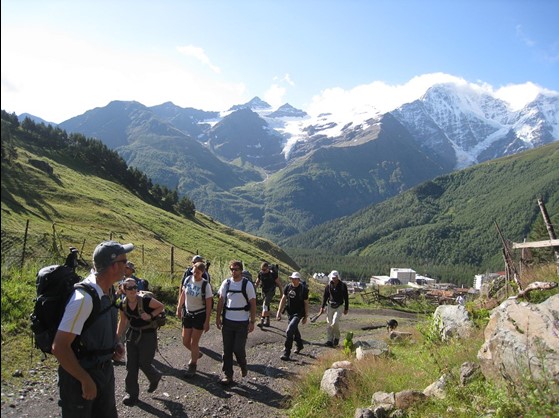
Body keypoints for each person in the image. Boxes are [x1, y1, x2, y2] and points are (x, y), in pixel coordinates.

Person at [52, 240, 133, 418]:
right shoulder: (83, 299)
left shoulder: (108, 290)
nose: (126, 266)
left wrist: (112, 345)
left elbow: (96, 329)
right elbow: (59, 347)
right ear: (113, 266)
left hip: (103, 372)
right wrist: (84, 379)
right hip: (79, 376)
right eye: (124, 262)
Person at [116, 277, 165, 406]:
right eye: (130, 288)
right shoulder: (123, 304)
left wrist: (150, 316)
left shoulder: (146, 301)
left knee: (144, 363)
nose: (133, 290)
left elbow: (161, 306)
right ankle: (131, 394)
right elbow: (123, 321)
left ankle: (155, 377)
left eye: (135, 287)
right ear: (124, 290)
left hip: (148, 335)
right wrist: (117, 337)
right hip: (132, 335)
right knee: (130, 366)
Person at [215, 260, 257, 386]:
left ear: (241, 270)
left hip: (242, 322)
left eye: (236, 269)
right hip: (228, 321)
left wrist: (252, 321)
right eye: (232, 269)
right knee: (227, 350)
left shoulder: (247, 284)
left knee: (238, 348)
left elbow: (253, 303)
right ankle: (228, 375)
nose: (234, 272)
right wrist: (217, 318)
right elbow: (221, 300)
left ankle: (243, 364)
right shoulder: (226, 283)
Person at [176, 261, 213, 378]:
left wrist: (207, 321)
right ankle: (196, 353)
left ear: (202, 273)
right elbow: (183, 294)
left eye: (197, 272)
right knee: (185, 341)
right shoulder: (188, 280)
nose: (194, 274)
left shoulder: (205, 285)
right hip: (187, 314)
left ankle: (193, 365)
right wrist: (178, 308)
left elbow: (209, 305)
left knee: (194, 342)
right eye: (193, 271)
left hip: (199, 315)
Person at [276, 272, 309, 361]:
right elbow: (283, 299)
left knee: (290, 330)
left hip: (298, 313)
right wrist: (279, 311)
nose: (292, 280)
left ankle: (286, 352)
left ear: (298, 280)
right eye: (292, 279)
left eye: (294, 279)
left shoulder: (303, 289)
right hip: (290, 312)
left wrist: (306, 316)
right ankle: (300, 345)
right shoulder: (288, 287)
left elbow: (306, 303)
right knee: (294, 329)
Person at [318, 270, 349, 347]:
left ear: (338, 277)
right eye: (332, 278)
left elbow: (346, 297)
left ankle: (337, 337)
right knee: (329, 323)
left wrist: (346, 308)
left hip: (339, 306)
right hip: (330, 306)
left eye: (335, 278)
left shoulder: (343, 285)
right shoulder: (328, 286)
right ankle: (329, 340)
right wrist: (322, 307)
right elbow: (325, 297)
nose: (334, 279)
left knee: (335, 322)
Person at [255, 262, 281, 327]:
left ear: (268, 268)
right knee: (267, 306)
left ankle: (262, 320)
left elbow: (279, 284)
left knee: (265, 305)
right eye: (262, 269)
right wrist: (252, 290)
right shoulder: (260, 274)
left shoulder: (273, 274)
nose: (263, 271)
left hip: (271, 291)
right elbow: (257, 283)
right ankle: (268, 321)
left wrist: (282, 294)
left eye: (264, 270)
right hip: (264, 291)